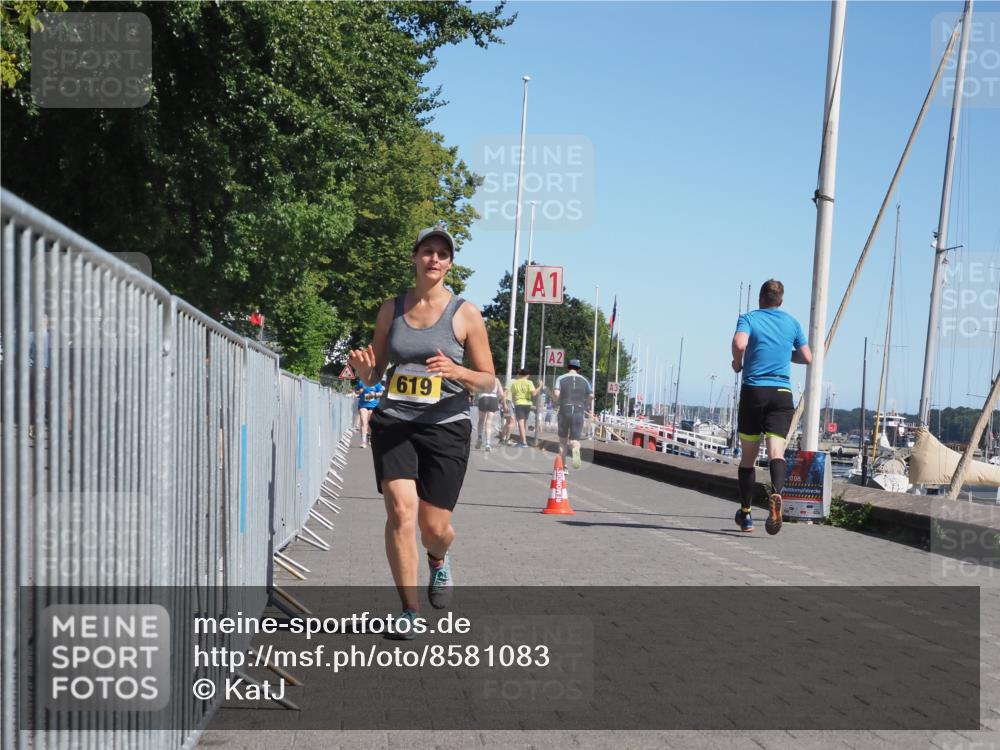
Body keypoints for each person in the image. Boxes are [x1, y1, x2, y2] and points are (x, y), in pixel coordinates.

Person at [347, 225, 495, 636]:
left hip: (446, 425)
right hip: (395, 421)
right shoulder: (391, 309)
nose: (434, 259)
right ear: (414, 258)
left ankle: (438, 561)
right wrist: (364, 374)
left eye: (442, 254)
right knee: (400, 512)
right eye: (427, 251)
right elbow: (376, 370)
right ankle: (409, 609)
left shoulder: (465, 313)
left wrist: (457, 370)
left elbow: (487, 381)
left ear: (450, 264)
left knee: (435, 529)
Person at [731, 279, 812, 535]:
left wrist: (737, 362)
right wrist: (783, 353)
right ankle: (777, 494)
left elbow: (739, 343)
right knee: (776, 451)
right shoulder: (792, 323)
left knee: (748, 458)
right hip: (781, 393)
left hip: (755, 391)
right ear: (781, 300)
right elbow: (807, 357)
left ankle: (746, 516)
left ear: (760, 298)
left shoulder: (749, 318)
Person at [553, 358, 593, 470]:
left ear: (568, 367)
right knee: (575, 440)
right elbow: (591, 395)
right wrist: (586, 404)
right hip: (579, 410)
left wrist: (556, 401)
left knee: (562, 441)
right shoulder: (585, 380)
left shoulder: (560, 378)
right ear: (578, 369)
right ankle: (576, 456)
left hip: (564, 410)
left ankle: (563, 467)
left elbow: (556, 394)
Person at [509, 369, 541, 448]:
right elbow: (533, 393)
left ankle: (524, 442)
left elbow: (512, 394)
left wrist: (514, 401)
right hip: (528, 404)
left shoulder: (515, 382)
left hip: (519, 403)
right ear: (527, 375)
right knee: (524, 423)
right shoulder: (529, 382)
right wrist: (540, 386)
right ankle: (522, 440)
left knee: (520, 423)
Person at [475, 376, 504, 451]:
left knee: (481, 420)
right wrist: (496, 398)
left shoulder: (481, 378)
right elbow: (501, 393)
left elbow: (475, 390)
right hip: (493, 398)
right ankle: (488, 443)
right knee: (489, 422)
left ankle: (479, 437)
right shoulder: (496, 379)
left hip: (483, 397)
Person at [354, 378, 384, 448]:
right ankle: (363, 441)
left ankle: (369, 437)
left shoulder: (376, 383)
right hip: (363, 405)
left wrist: (375, 394)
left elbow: (381, 393)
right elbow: (355, 391)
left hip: (373, 406)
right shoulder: (361, 382)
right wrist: (359, 391)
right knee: (364, 423)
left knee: (370, 423)